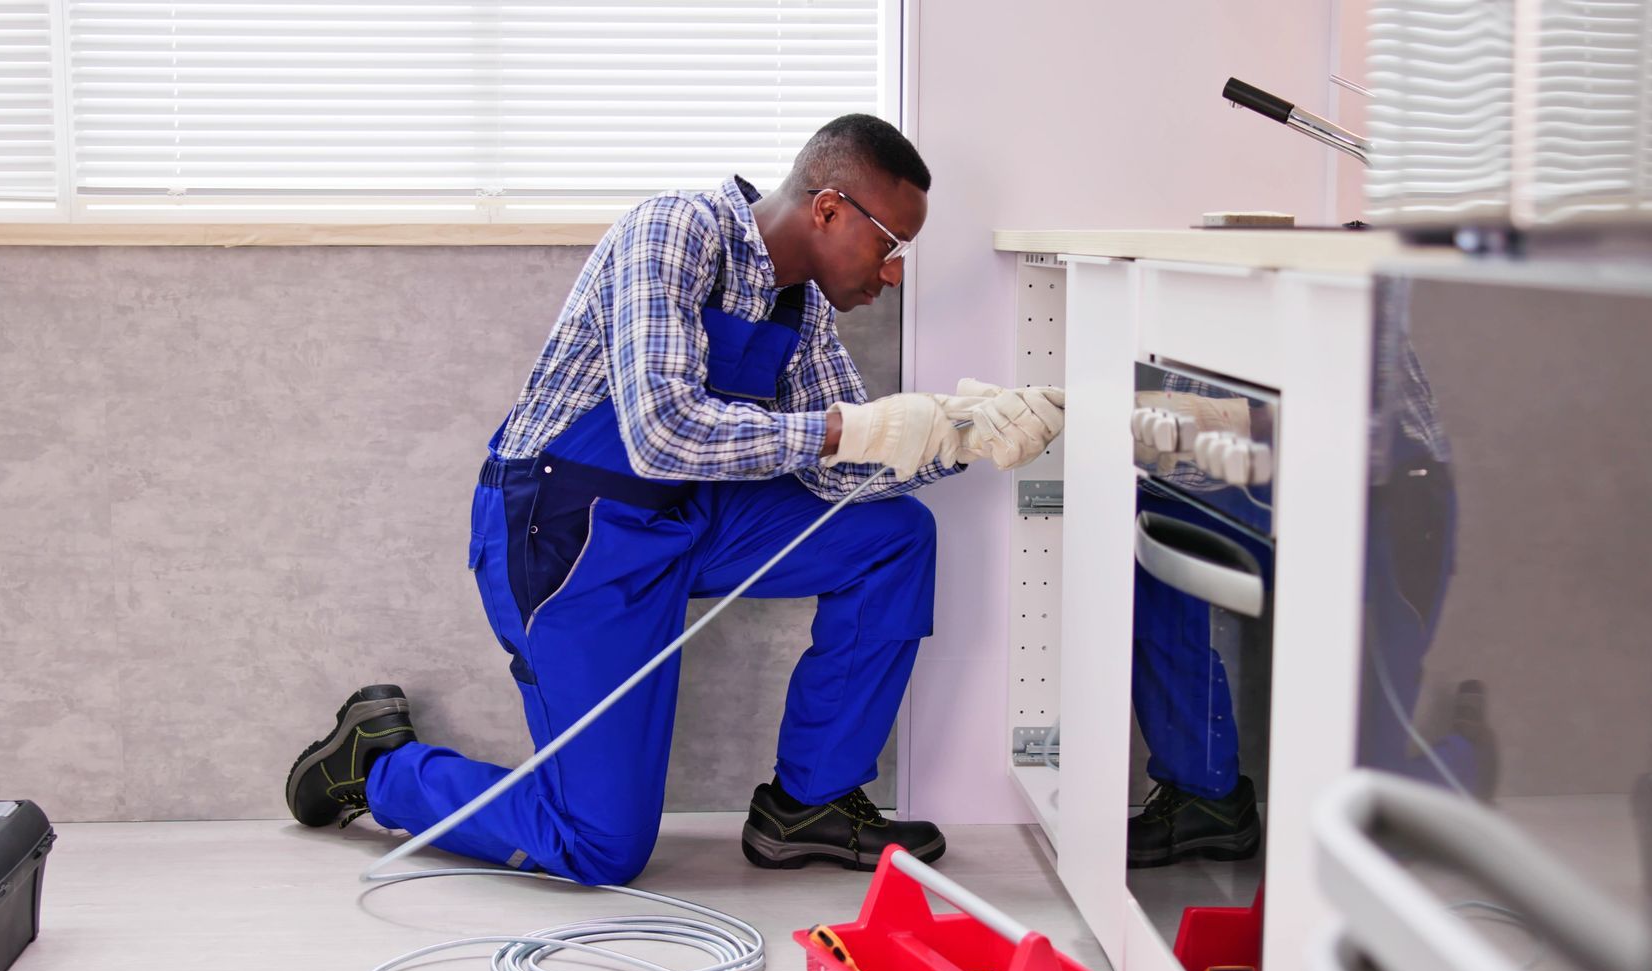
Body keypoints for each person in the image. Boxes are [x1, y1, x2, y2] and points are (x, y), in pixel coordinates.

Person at [282, 114, 1065, 885]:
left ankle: (808, 806)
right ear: (828, 208)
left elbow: (836, 475)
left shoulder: (806, 304)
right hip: (569, 529)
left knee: (893, 536)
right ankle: (379, 767)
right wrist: (855, 429)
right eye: (891, 245)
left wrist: (959, 435)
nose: (893, 272)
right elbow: (663, 432)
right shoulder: (675, 231)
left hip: (684, 516)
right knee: (600, 847)